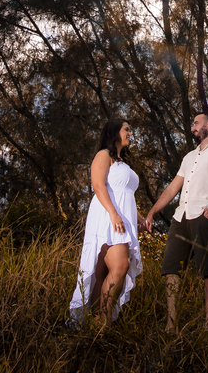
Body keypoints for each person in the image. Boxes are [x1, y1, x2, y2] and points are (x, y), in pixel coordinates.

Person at [143, 112, 208, 331]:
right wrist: (151, 213)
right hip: (181, 217)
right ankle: (171, 325)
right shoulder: (188, 157)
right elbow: (171, 189)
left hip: (204, 216)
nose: (193, 127)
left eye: (196, 123)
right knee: (170, 268)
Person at [68, 118, 142, 324]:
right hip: (107, 216)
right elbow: (98, 186)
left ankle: (91, 324)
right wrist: (113, 213)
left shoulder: (122, 161)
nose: (129, 133)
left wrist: (140, 219)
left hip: (121, 218)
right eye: (126, 129)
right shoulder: (104, 155)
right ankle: (103, 321)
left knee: (102, 272)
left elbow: (126, 195)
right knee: (120, 266)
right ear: (114, 132)